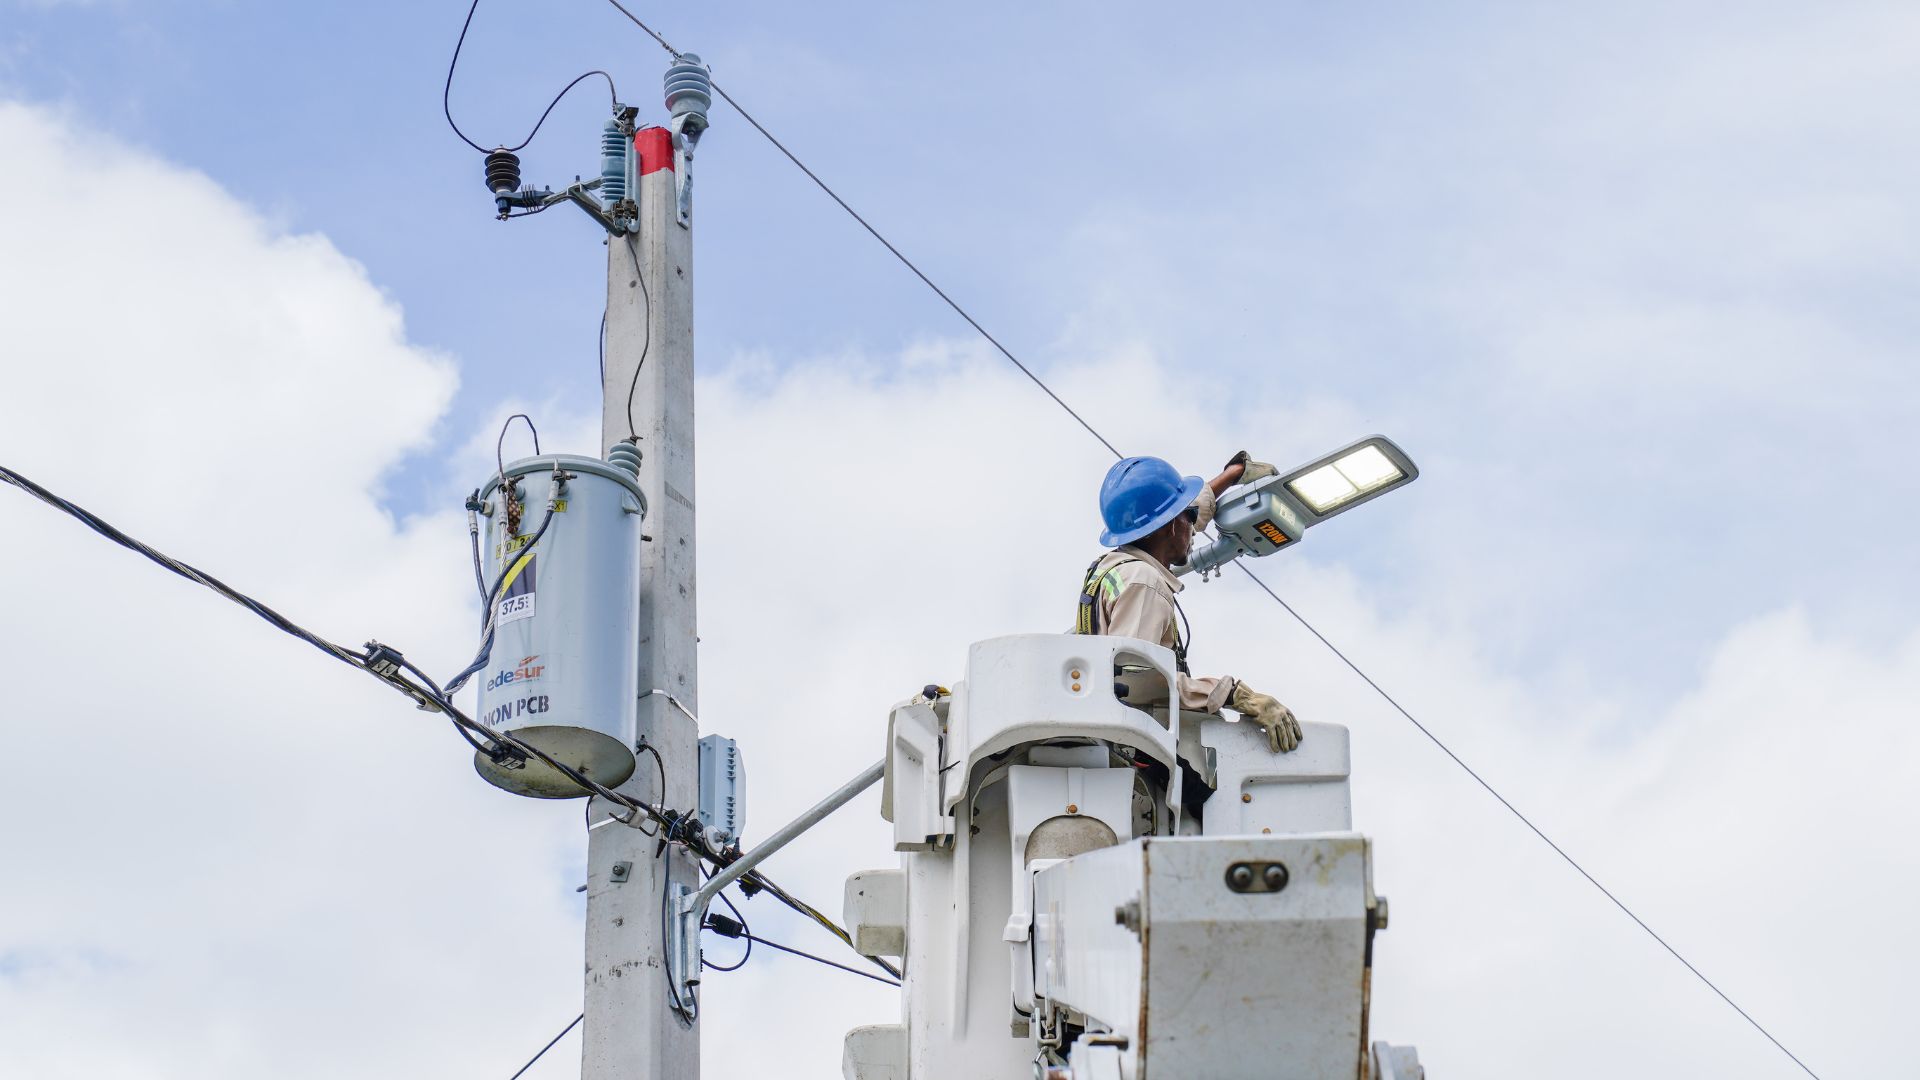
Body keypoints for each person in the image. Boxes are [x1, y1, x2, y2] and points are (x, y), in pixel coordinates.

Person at [1073, 452, 1304, 753]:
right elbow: (1136, 682)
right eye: (1188, 517)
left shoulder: (1115, 567)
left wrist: (1233, 475)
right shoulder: (1145, 584)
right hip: (1137, 752)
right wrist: (1234, 694)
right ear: (1169, 527)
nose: (1194, 527)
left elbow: (1179, 515)